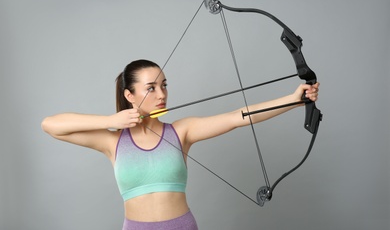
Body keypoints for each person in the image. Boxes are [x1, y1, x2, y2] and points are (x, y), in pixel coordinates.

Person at [41, 59, 319, 230]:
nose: (161, 94)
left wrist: (294, 100)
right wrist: (110, 119)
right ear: (129, 95)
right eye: (151, 88)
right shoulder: (112, 141)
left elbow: (238, 117)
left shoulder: (181, 131)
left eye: (164, 85)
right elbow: (51, 125)